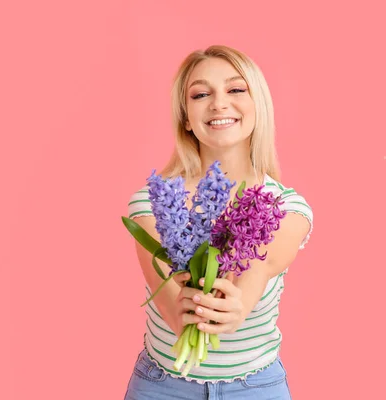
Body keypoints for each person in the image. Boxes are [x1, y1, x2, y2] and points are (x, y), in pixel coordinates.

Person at [123, 45, 313, 400]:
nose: (219, 103)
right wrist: (184, 312)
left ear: (258, 105)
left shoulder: (287, 206)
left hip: (255, 387)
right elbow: (170, 299)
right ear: (185, 117)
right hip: (161, 386)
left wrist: (234, 306)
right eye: (200, 94)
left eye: (236, 89)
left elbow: (261, 262)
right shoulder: (155, 199)